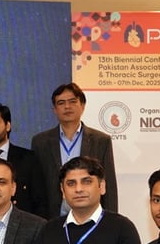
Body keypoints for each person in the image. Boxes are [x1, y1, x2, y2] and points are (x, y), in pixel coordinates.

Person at [31, 83, 118, 217]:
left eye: (72, 101)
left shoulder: (100, 140)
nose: (67, 106)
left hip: (90, 212)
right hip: (53, 215)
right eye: (61, 103)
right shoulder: (40, 141)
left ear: (82, 105)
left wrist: (111, 219)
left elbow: (108, 184)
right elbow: (37, 186)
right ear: (54, 109)